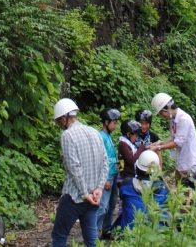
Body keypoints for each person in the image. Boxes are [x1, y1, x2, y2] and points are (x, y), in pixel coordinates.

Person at [51, 98, 109, 247]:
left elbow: (74, 168)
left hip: (74, 197)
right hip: (93, 197)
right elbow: (105, 162)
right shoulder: (94, 132)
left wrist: (84, 194)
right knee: (91, 239)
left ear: (64, 118)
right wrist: (99, 188)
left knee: (59, 235)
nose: (59, 125)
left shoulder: (67, 136)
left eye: (59, 121)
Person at [113, 150, 169, 231]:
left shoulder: (126, 185)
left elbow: (122, 196)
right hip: (155, 236)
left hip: (129, 235)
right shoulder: (164, 190)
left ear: (137, 168)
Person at [151, 93, 196, 180]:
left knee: (189, 191)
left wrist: (158, 148)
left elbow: (178, 143)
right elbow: (173, 140)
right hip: (181, 164)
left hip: (190, 164)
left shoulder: (184, 119)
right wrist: (159, 143)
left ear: (167, 107)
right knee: (180, 190)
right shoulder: (173, 120)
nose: (162, 116)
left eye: (162, 113)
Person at [97, 108, 120, 241]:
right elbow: (101, 158)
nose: (115, 126)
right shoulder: (101, 136)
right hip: (108, 176)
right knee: (103, 206)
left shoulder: (109, 137)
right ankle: (92, 232)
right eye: (114, 123)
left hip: (114, 173)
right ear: (106, 122)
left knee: (111, 205)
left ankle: (106, 230)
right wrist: (105, 179)